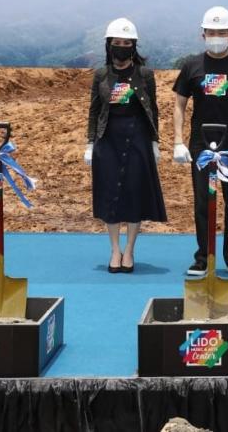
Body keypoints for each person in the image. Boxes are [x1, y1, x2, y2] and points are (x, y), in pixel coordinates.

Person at [173, 6, 228, 277]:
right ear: (203, 35)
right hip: (201, 145)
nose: (217, 37)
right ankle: (203, 257)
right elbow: (179, 105)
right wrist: (178, 141)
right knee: (203, 202)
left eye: (222, 32)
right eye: (212, 32)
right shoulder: (192, 66)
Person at [85, 18, 166, 273]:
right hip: (108, 140)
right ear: (109, 45)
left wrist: (154, 141)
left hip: (137, 140)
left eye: (126, 43)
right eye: (117, 42)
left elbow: (153, 109)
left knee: (134, 194)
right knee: (110, 194)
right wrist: (90, 143)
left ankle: (129, 249)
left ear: (134, 46)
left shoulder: (144, 75)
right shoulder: (101, 75)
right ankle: (114, 249)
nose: (121, 47)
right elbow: (94, 111)